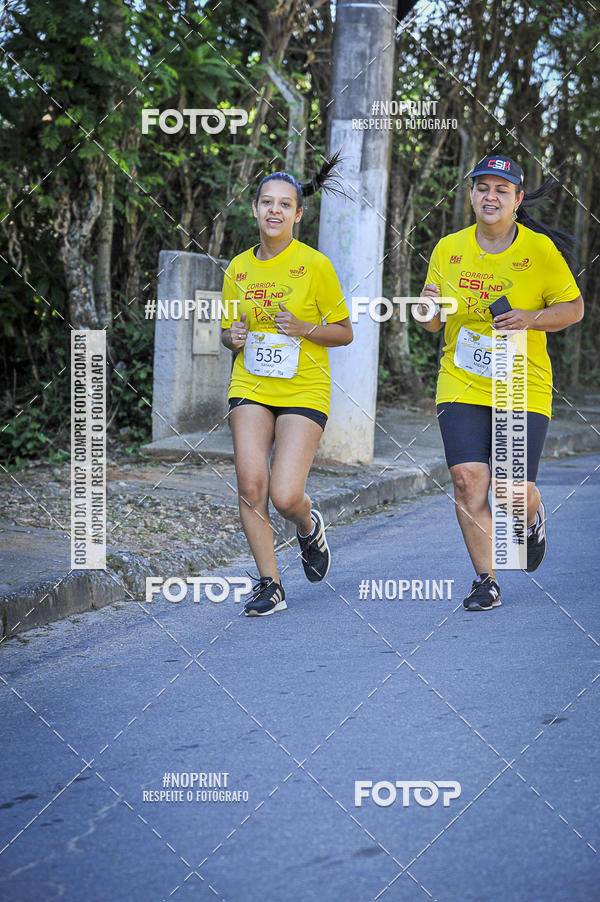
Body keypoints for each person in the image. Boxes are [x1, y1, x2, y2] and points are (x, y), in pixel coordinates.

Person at [417, 154, 584, 611]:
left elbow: (573, 308)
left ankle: (529, 519)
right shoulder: (448, 249)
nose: (490, 196)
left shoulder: (539, 252)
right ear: (471, 194)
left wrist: (531, 319)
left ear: (517, 199)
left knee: (511, 492)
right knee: (468, 480)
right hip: (462, 380)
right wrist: (427, 309)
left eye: (501, 189)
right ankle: (486, 578)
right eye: (482, 187)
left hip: (520, 382)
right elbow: (432, 322)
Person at [220, 153, 353, 616]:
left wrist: (302, 327)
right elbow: (228, 332)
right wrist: (231, 336)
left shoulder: (316, 266)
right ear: (254, 210)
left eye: (284, 204)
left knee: (284, 495)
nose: (274, 211)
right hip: (251, 385)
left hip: (303, 389)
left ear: (298, 214)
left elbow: (344, 331)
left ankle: (307, 524)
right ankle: (270, 584)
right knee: (251, 485)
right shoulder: (238, 268)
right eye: (266, 203)